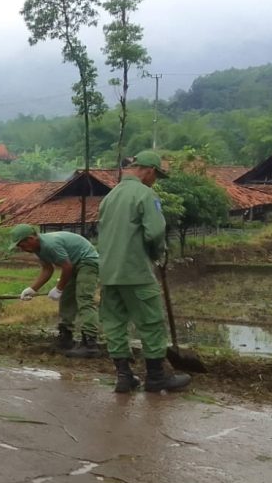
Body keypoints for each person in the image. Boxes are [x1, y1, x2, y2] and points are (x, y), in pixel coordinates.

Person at [97, 150, 191, 394]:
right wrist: (157, 253)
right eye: (156, 175)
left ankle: (124, 376)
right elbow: (155, 232)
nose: (155, 180)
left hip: (108, 273)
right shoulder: (146, 194)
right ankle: (156, 378)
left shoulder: (109, 196)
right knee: (151, 323)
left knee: (115, 324)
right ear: (148, 170)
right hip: (135, 271)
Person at [12, 224, 102, 358]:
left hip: (87, 261)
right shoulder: (38, 249)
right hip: (74, 263)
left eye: (22, 245)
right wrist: (33, 289)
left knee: (84, 299)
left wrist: (59, 288)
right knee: (66, 300)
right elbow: (48, 269)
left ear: (31, 239)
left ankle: (90, 344)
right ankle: (66, 337)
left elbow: (67, 267)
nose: (22, 249)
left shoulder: (50, 245)